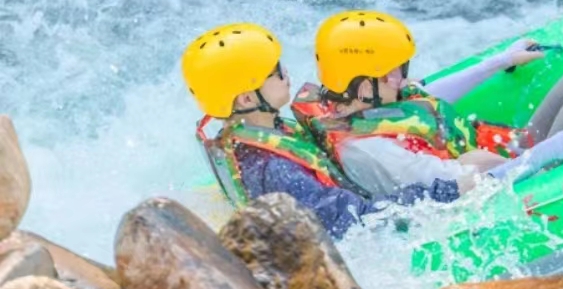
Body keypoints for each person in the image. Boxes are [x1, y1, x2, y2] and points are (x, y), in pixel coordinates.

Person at [290, 10, 563, 199]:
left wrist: (498, 61)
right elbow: (459, 187)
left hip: (506, 153)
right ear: (362, 83)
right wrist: (550, 150)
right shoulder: (369, 149)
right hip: (509, 183)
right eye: (391, 72)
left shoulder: (353, 99)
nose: (402, 78)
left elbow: (426, 96)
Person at [180, 23, 459, 239]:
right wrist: (448, 191)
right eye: (275, 71)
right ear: (247, 99)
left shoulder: (244, 137)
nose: (286, 73)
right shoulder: (276, 169)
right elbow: (355, 219)